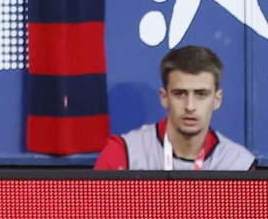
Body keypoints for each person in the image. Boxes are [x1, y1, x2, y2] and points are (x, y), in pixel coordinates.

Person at [95, 46, 255, 171]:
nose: (190, 106)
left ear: (217, 99)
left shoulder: (237, 163)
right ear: (164, 97)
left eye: (201, 94)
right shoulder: (124, 154)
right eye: (180, 93)